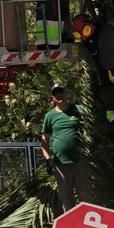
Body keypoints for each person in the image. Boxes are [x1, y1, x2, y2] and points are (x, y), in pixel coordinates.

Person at [40, 82, 87, 215]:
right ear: (52, 98)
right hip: (61, 165)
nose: (59, 95)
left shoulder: (78, 110)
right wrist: (48, 160)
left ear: (66, 93)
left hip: (80, 162)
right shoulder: (50, 116)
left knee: (85, 196)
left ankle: (88, 227)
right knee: (67, 200)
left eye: (61, 92)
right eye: (56, 93)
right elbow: (44, 140)